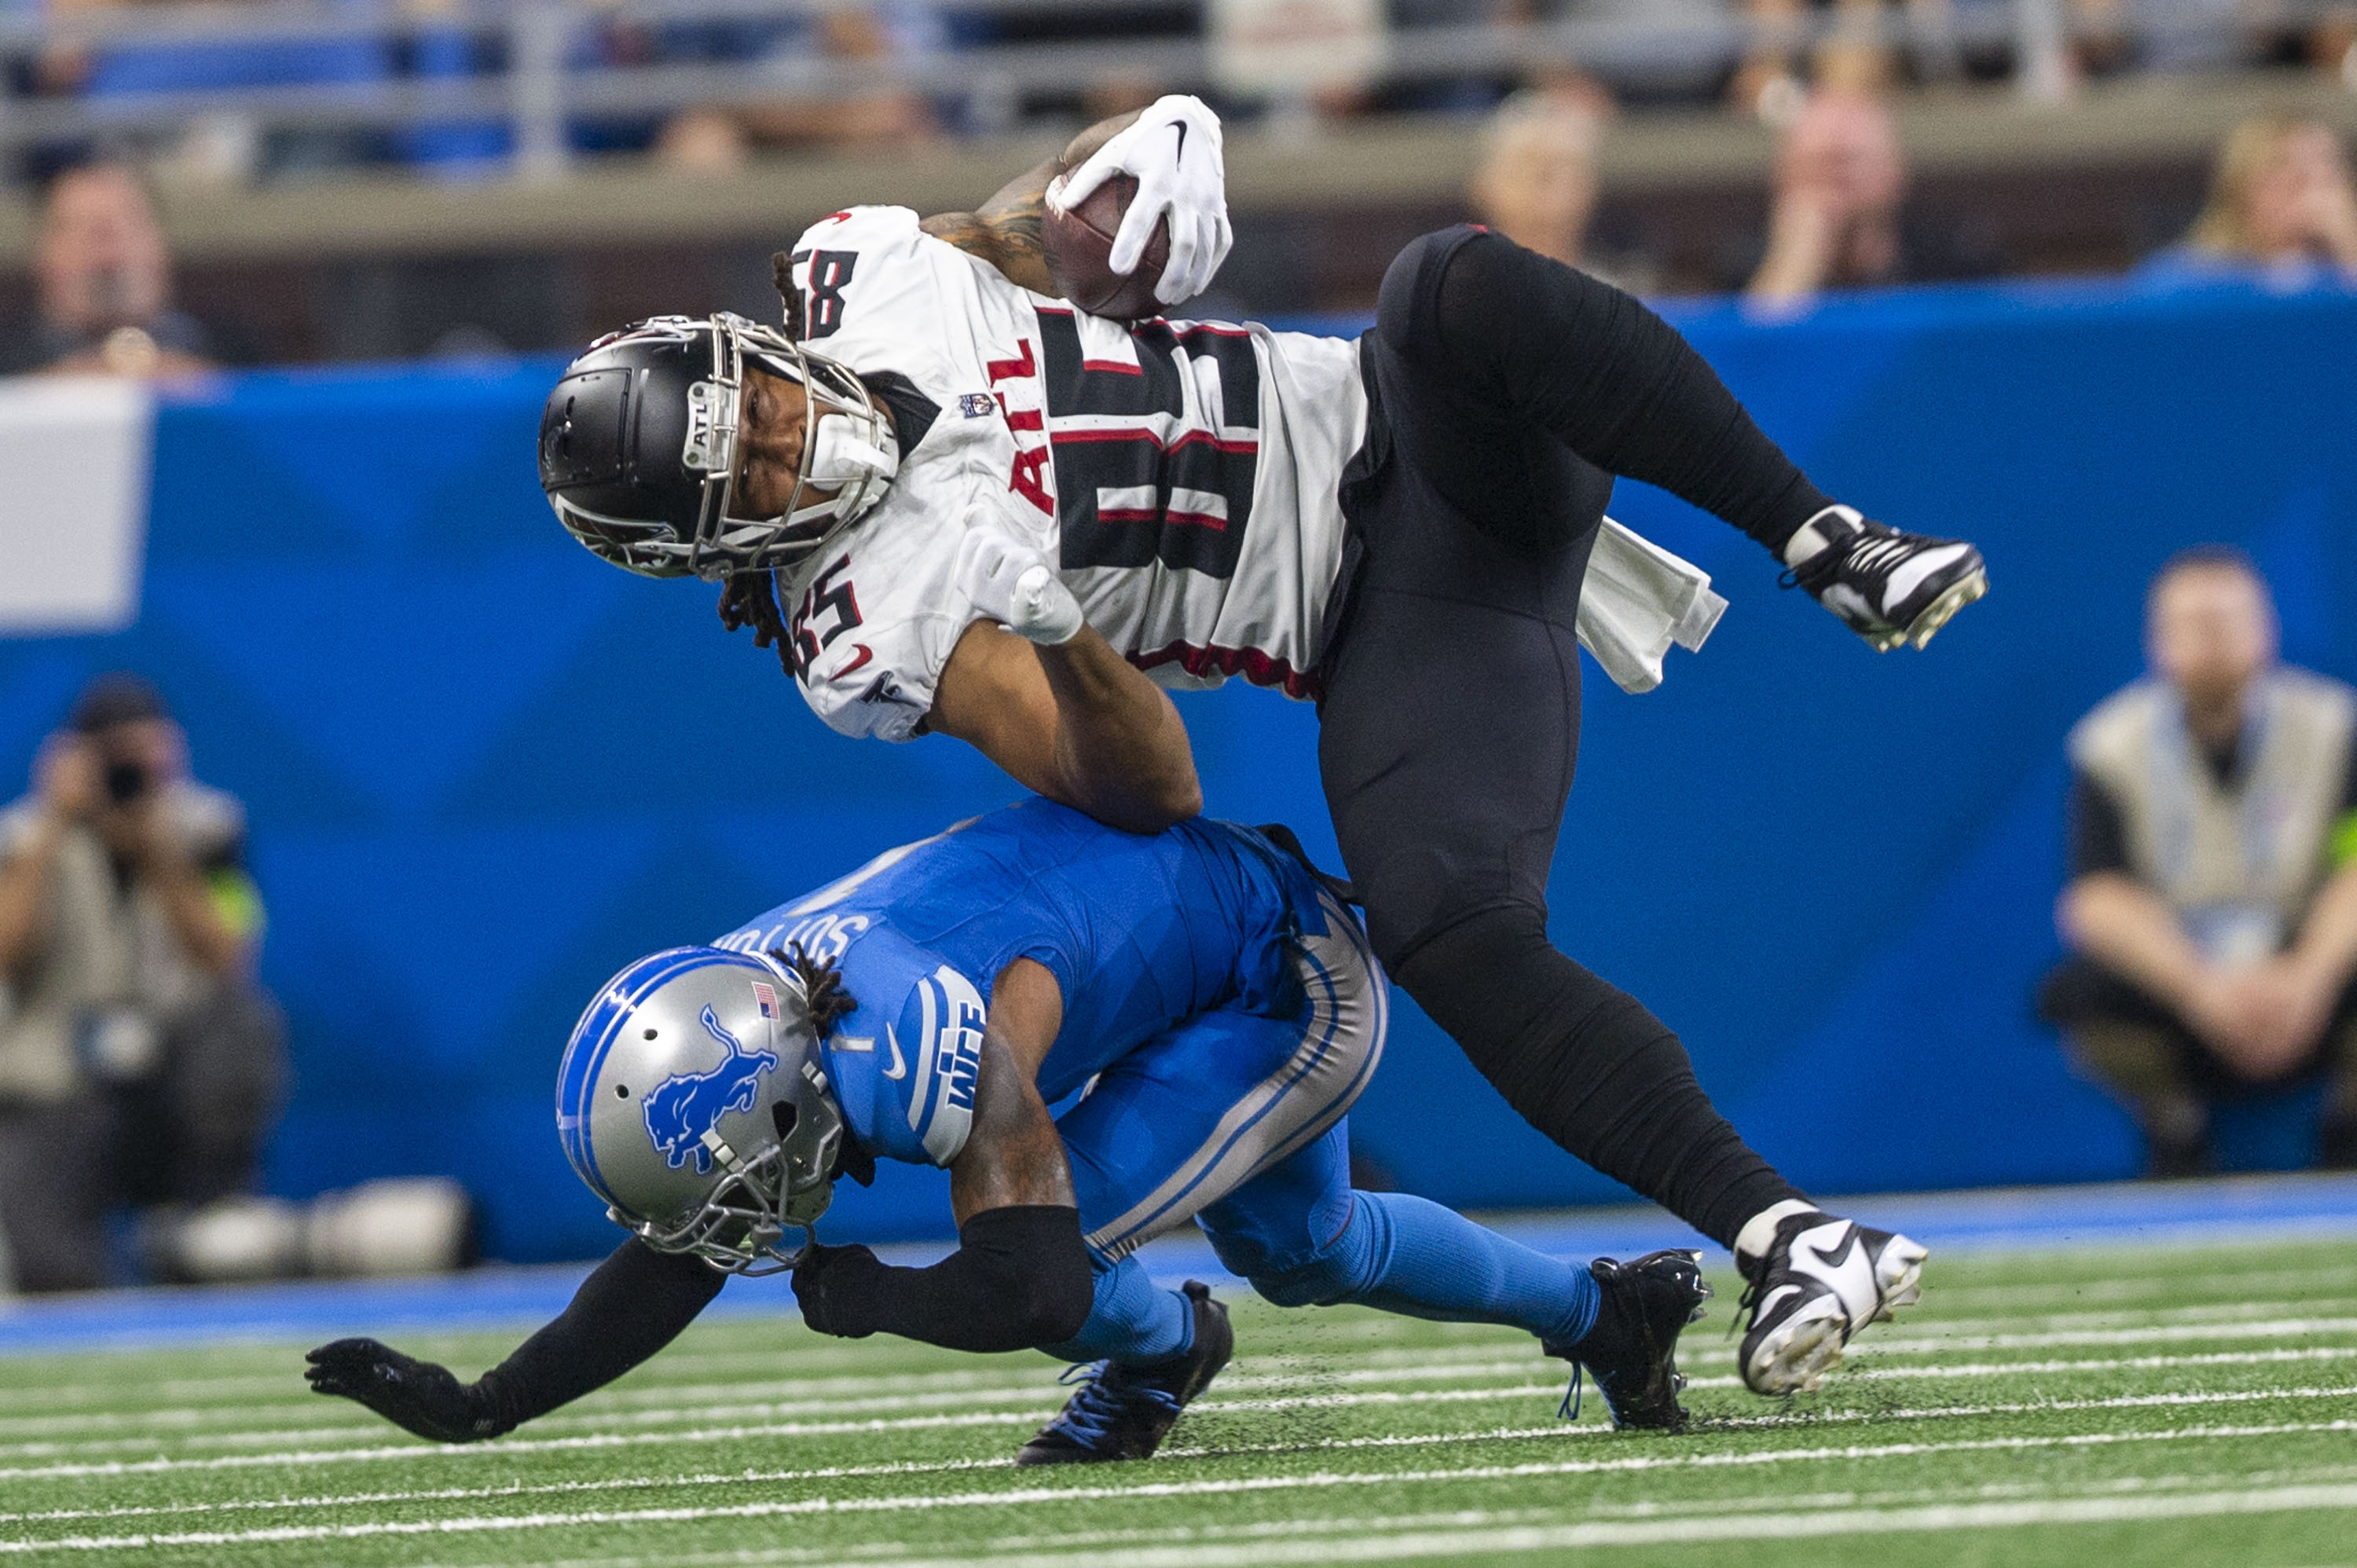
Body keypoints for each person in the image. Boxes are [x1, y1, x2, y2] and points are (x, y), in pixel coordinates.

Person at [534, 94, 1972, 1394]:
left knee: (1443, 283)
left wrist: (1140, 150)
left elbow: (1039, 225)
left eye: (770, 408)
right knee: (1452, 930)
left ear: (760, 348)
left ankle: (1830, 538)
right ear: (718, 546)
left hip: (1431, 427)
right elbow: (1154, 793)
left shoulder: (863, 271)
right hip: (1399, 622)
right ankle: (1797, 1234)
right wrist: (1057, 627)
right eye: (761, 474)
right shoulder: (866, 621)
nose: (798, 444)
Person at [307, 800, 1714, 1455]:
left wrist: (879, 1298)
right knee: (1311, 1242)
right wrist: (492, 1401)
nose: (728, 1214)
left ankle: (1171, 1355)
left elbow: (1034, 1282)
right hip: (1170, 940)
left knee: (1101, 1246)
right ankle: (1607, 1314)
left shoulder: (917, 1043)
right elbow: (689, 1241)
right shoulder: (760, 1003)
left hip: (1279, 969)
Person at [2042, 549, 2357, 1176]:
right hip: (2184, 970)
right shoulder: (2110, 744)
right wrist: (2202, 991)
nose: (2211, 641)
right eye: (2191, 625)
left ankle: (2346, 1118)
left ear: (2267, 628)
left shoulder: (2334, 727)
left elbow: (2353, 864)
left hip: (2306, 964)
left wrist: (2306, 980)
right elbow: (2098, 898)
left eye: (2227, 621)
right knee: (2078, 995)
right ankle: (2176, 1125)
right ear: (2157, 641)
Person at [0, 675, 282, 1291]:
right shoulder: (23, 835)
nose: (129, 774)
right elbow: (5, 954)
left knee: (242, 1023)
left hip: (174, 1074)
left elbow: (227, 957)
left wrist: (156, 847)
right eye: (115, 759)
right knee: (53, 1268)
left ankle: (214, 1221)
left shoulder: (208, 827)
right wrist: (52, 822)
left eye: (145, 755)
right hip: (63, 1089)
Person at [1, 161, 215, 378]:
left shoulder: (233, 354)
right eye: (80, 228)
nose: (109, 256)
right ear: (40, 257)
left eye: (127, 224)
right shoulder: (9, 369)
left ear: (162, 245)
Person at [2135, 117, 2357, 294]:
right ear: (2242, 186)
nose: (2315, 190)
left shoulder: (2342, 271)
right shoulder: (2187, 275)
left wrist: (2349, 247)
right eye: (2288, 167)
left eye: (2329, 170)